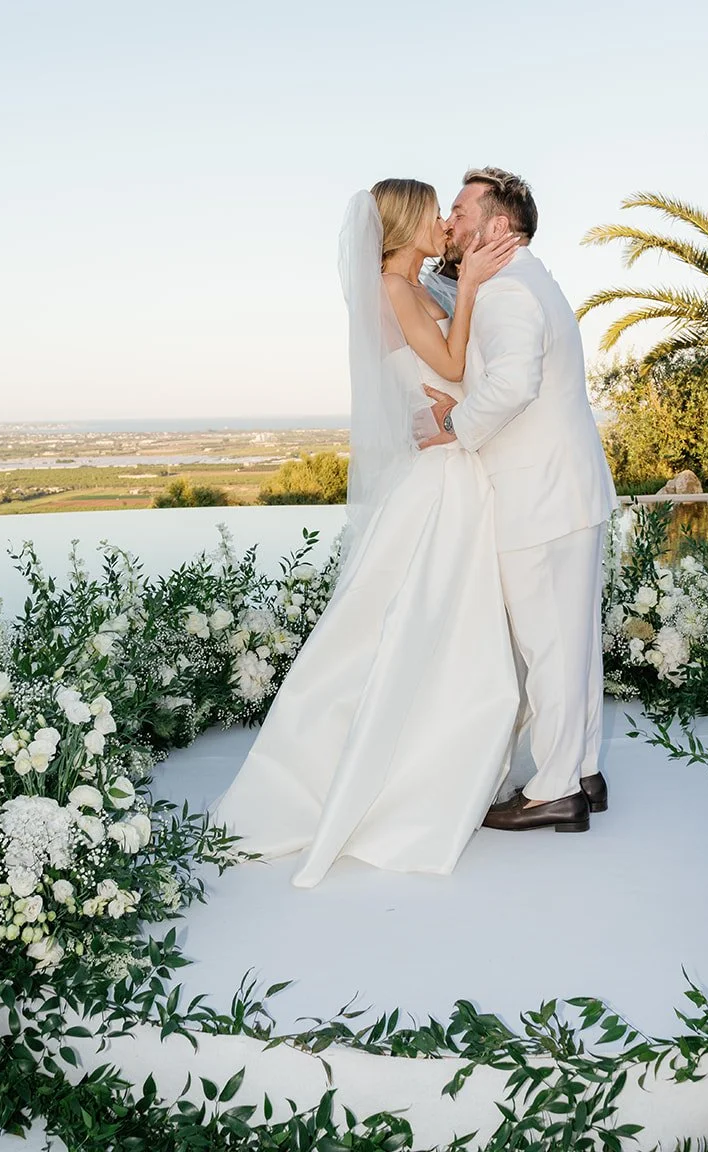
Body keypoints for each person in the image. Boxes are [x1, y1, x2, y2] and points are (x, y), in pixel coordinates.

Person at [211, 179, 522, 888]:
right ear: (404, 222)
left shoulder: (415, 285)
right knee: (412, 624)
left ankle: (434, 765)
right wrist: (470, 285)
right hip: (437, 477)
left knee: (433, 626)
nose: (444, 223)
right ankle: (386, 781)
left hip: (446, 462)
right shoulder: (395, 287)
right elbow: (446, 365)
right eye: (433, 211)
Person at [423, 168, 617, 834]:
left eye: (458, 210)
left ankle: (555, 790)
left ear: (498, 226)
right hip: (566, 489)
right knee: (573, 642)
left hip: (537, 495)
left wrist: (456, 424)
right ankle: (583, 769)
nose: (449, 222)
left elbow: (511, 385)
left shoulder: (506, 290)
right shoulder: (535, 279)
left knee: (548, 646)